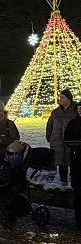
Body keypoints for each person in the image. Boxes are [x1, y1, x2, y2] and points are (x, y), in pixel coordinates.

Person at [46, 89, 77, 183]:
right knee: (61, 162)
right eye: (60, 97)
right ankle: (63, 181)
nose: (60, 99)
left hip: (72, 142)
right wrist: (49, 136)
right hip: (57, 141)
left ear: (69, 99)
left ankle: (74, 182)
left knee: (73, 161)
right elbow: (49, 125)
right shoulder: (55, 112)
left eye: (62, 97)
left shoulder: (76, 111)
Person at [64, 102, 81, 231]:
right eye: (78, 109)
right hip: (77, 160)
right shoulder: (73, 123)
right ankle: (79, 219)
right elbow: (67, 139)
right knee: (78, 191)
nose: (80, 111)